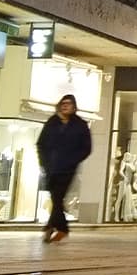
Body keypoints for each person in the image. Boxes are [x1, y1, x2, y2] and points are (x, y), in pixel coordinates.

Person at [36, 95, 92, 244]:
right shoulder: (52, 122)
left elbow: (86, 148)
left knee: (58, 196)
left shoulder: (80, 125)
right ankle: (54, 226)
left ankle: (59, 228)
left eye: (69, 104)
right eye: (63, 103)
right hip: (51, 167)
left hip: (67, 168)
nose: (65, 106)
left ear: (74, 107)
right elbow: (41, 144)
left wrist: (73, 160)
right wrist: (44, 162)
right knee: (56, 198)